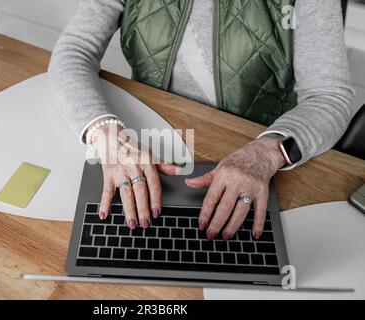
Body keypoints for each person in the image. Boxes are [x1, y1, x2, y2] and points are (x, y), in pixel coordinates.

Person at [48, 0, 355, 240]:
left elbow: (329, 96)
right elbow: (75, 50)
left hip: (257, 154)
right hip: (149, 148)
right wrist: (105, 133)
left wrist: (267, 153)